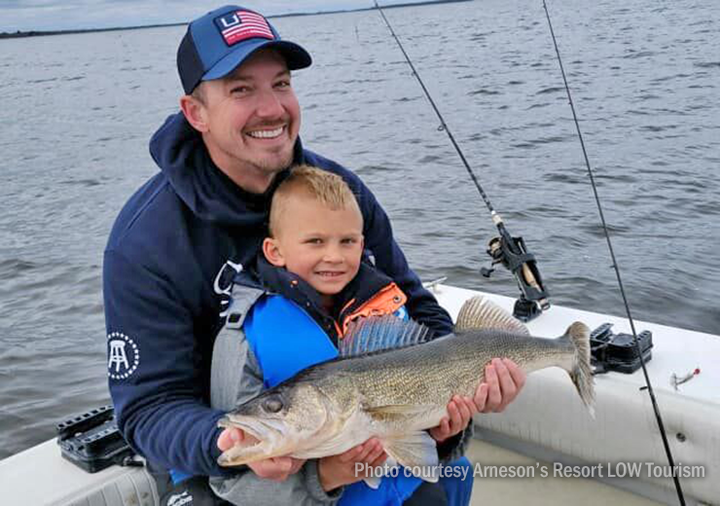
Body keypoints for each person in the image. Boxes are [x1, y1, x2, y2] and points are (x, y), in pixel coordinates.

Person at [103, 4, 526, 505]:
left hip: (359, 421)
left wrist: (450, 403)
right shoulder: (144, 243)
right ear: (196, 112)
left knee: (437, 488)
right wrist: (231, 440)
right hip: (223, 453)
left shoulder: (341, 195)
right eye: (241, 89)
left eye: (280, 83)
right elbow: (148, 409)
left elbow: (417, 309)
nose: (271, 108)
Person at [209, 164, 475, 505]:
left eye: (347, 241)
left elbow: (425, 430)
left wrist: (446, 435)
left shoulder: (386, 309)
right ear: (274, 251)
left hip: (413, 490)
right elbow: (232, 484)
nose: (333, 256)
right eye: (315, 241)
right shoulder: (242, 339)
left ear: (362, 245)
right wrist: (325, 477)